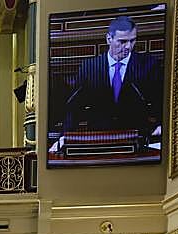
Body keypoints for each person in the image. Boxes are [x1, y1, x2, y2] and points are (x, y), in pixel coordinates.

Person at [55, 15, 163, 151]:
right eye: (122, 41)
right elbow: (74, 107)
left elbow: (160, 100)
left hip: (137, 140)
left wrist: (162, 125)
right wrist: (64, 137)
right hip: (100, 140)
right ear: (109, 39)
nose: (128, 46)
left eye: (132, 41)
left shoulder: (148, 65)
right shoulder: (90, 67)